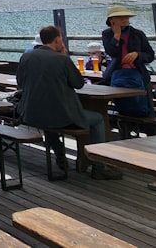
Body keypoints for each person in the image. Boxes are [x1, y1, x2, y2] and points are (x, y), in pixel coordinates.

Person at [15, 25, 122, 180]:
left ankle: (60, 155)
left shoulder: (26, 57)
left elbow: (20, 82)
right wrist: (64, 55)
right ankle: (99, 166)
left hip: (30, 113)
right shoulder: (61, 59)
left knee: (48, 117)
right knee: (98, 119)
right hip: (60, 116)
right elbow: (78, 83)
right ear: (58, 39)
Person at [99, 5, 156, 113]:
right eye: (120, 17)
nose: (124, 19)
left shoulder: (137, 34)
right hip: (116, 73)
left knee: (145, 106)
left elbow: (150, 55)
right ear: (111, 20)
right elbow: (111, 52)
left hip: (138, 73)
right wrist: (116, 35)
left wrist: (137, 55)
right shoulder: (107, 34)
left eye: (126, 17)